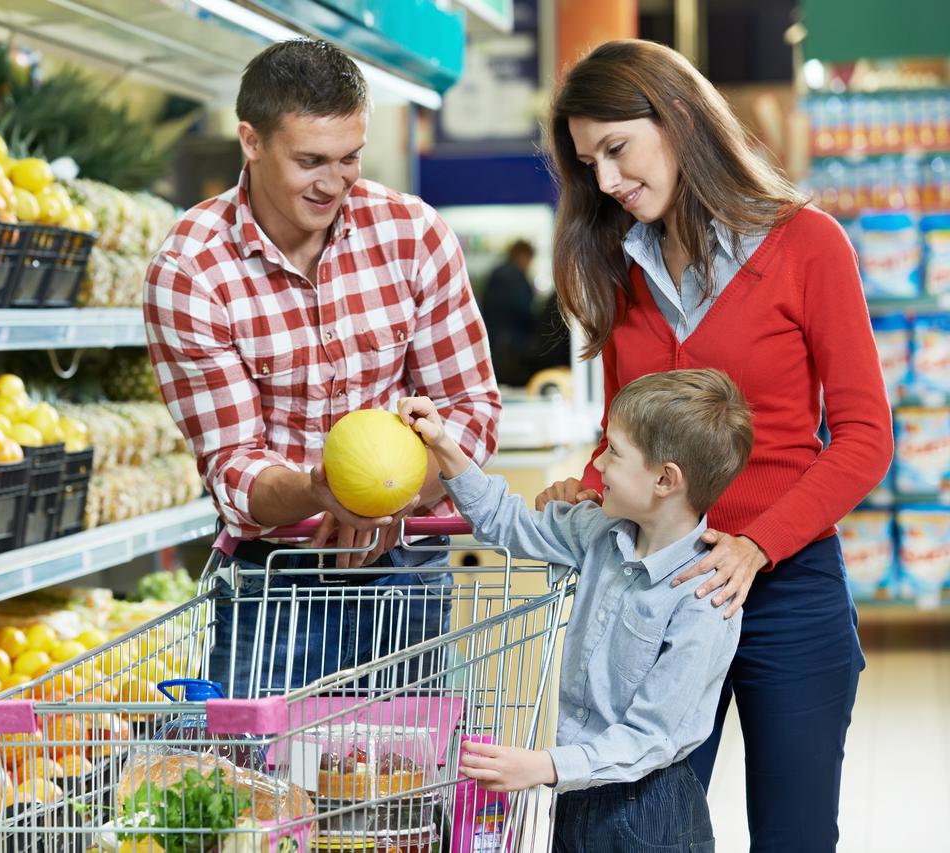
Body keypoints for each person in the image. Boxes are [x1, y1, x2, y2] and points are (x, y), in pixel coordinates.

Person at [534, 40, 893, 851]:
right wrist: (592, 481)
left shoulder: (809, 245)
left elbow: (866, 438)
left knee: (793, 835)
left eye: (617, 149)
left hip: (787, 590)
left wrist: (756, 545)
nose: (606, 181)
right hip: (657, 596)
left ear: (680, 117)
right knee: (640, 830)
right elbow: (631, 432)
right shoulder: (621, 266)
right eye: (589, 163)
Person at [143, 39, 500, 698]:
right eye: (310, 161)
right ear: (250, 141)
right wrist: (321, 489)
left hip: (407, 572)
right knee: (267, 793)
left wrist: (393, 493)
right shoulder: (191, 271)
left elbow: (471, 408)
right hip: (278, 581)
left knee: (405, 787)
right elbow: (233, 466)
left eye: (349, 159)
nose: (334, 183)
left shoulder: (413, 234)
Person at [400, 367, 754, 853]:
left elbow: (652, 737)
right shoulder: (598, 533)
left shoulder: (706, 598)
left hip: (650, 816)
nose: (599, 466)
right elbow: (506, 522)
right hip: (574, 797)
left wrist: (543, 766)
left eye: (614, 451)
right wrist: (442, 444)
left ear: (665, 480)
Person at [481, 239, 537, 387]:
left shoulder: (496, 273)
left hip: (495, 343)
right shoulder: (515, 277)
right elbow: (524, 309)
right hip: (513, 347)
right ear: (522, 255)